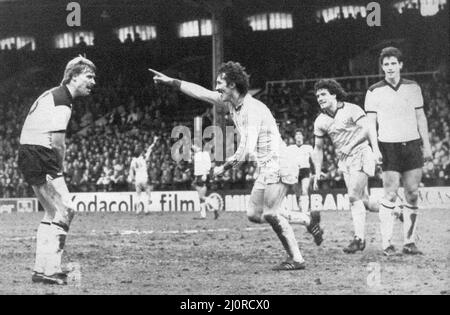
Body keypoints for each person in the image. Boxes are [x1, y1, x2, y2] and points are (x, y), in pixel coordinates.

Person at [150, 62, 323, 271]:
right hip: (267, 165)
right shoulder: (232, 103)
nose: (216, 88)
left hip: (279, 163)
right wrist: (173, 82)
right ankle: (307, 219)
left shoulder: (252, 109)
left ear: (232, 85)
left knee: (270, 213)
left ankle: (296, 259)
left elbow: (246, 149)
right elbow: (201, 93)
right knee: (253, 214)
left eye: (219, 83)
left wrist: (222, 168)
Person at [18, 56, 96, 285]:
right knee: (66, 209)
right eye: (89, 76)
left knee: (52, 212)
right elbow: (58, 142)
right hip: (41, 153)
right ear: (73, 76)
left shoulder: (53, 93)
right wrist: (59, 168)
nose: (93, 82)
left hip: (29, 151)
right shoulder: (63, 99)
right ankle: (51, 270)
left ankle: (41, 269)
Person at [365, 47, 432, 256]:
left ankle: (409, 242)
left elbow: (421, 117)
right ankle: (387, 243)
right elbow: (371, 123)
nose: (390, 67)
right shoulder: (374, 90)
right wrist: (375, 149)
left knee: (412, 193)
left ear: (400, 65)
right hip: (388, 146)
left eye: (394, 63)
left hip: (411, 144)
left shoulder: (413, 87)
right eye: (386, 64)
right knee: (391, 194)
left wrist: (427, 145)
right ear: (382, 67)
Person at [312, 79, 378, 254]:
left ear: (334, 94)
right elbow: (317, 148)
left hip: (361, 153)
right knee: (364, 201)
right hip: (345, 161)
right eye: (317, 95)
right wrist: (317, 171)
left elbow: (367, 129)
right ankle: (395, 209)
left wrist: (350, 145)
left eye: (323, 94)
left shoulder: (351, 109)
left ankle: (359, 239)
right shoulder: (320, 120)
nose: (320, 98)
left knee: (353, 197)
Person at [286, 129, 314, 212]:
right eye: (296, 134)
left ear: (303, 137)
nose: (298, 136)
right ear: (294, 137)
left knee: (304, 190)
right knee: (297, 192)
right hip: (294, 171)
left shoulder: (308, 147)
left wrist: (314, 172)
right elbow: (287, 160)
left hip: (305, 170)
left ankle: (306, 210)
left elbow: (313, 159)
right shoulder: (290, 148)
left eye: (300, 134)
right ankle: (300, 207)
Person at [129, 136, 158, 213]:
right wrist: (154, 141)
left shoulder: (133, 161)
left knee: (138, 194)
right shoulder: (144, 158)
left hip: (137, 179)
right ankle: (146, 209)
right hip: (144, 178)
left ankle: (138, 210)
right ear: (140, 152)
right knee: (147, 192)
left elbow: (131, 171)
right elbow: (150, 149)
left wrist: (132, 179)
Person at [191, 144, 218, 219]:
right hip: (201, 176)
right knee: (201, 197)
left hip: (202, 176)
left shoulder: (201, 155)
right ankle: (203, 215)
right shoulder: (201, 156)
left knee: (201, 196)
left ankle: (214, 204)